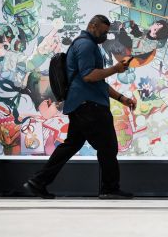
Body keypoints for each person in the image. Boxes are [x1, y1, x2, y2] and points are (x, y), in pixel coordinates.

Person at [23, 15, 137, 199]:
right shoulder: (86, 45)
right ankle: (109, 188)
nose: (105, 36)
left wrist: (122, 98)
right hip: (90, 106)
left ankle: (38, 181)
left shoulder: (85, 45)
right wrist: (115, 69)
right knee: (108, 146)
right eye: (104, 31)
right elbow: (89, 76)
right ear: (93, 25)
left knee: (71, 145)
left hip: (81, 104)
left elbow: (97, 81)